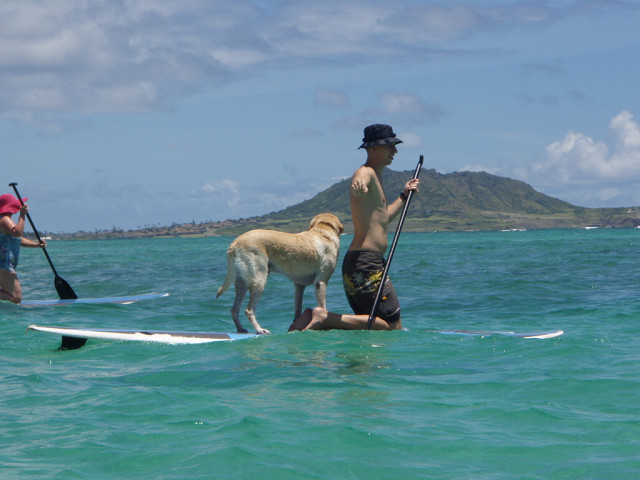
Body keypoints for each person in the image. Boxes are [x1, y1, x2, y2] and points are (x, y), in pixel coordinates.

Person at [290, 124, 420, 331]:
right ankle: (323, 317)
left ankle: (310, 318)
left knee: (369, 323)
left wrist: (404, 195)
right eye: (390, 146)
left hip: (360, 263)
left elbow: (383, 219)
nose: (395, 151)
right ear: (374, 148)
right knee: (391, 326)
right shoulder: (365, 172)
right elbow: (359, 179)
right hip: (366, 264)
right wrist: (358, 185)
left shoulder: (377, 178)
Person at [0, 194, 46, 304]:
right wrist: (22, 215)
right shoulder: (5, 220)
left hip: (5, 264)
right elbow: (18, 233)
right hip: (3, 265)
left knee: (12, 296)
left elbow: (18, 239)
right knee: (16, 298)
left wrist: (36, 245)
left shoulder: (6, 220)